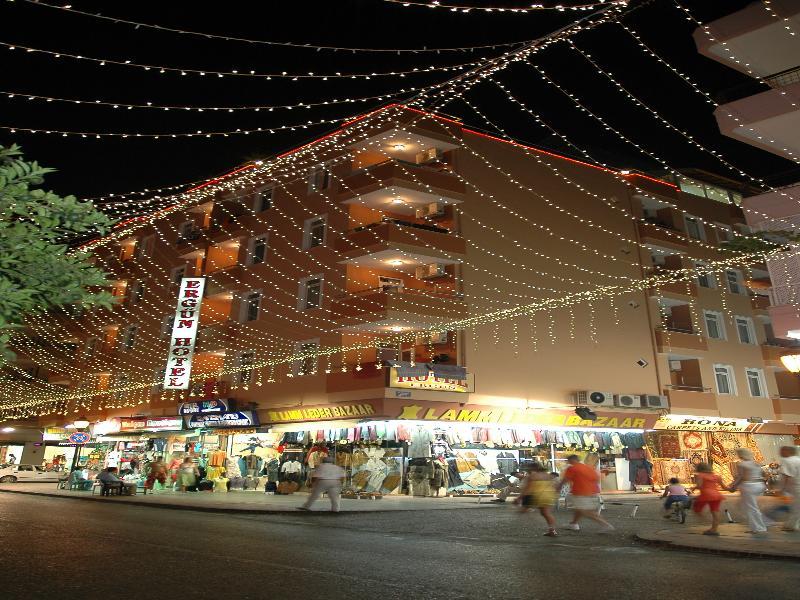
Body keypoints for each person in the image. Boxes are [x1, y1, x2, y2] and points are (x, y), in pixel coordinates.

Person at [557, 455, 613, 532]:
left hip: (581, 492)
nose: (567, 462)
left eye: (568, 460)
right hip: (593, 492)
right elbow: (596, 479)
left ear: (571, 460)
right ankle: (573, 524)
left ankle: (605, 524)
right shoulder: (587, 468)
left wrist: (558, 487)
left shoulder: (572, 468)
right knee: (579, 508)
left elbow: (565, 479)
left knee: (585, 511)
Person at [728, 448, 767, 536]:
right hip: (759, 485)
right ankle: (758, 526)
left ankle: (759, 527)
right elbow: (764, 474)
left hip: (749, 486)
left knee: (751, 508)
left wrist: (733, 486)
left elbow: (740, 477)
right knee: (750, 506)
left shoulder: (742, 464)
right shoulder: (756, 463)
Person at [520, 462, 558, 537]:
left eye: (528, 468)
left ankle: (529, 515)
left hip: (539, 495)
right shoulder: (547, 475)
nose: (527, 469)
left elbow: (527, 489)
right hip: (549, 495)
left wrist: (519, 498)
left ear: (532, 468)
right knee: (545, 513)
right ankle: (552, 530)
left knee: (544, 513)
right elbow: (554, 485)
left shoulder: (532, 476)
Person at [690, 463, 725, 536]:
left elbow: (699, 485)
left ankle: (705, 519)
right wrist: (732, 489)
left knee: (697, 508)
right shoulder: (717, 476)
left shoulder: (700, 475)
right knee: (715, 512)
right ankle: (714, 529)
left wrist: (693, 488)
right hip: (716, 495)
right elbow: (724, 487)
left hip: (705, 495)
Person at [779, 446, 800, 532]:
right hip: (796, 486)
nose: (780, 453)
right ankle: (791, 525)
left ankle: (792, 525)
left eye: (782, 451)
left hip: (795, 487)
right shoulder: (798, 460)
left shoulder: (787, 461)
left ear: (788, 451)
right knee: (796, 506)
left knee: (795, 507)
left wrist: (782, 489)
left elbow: (787, 476)